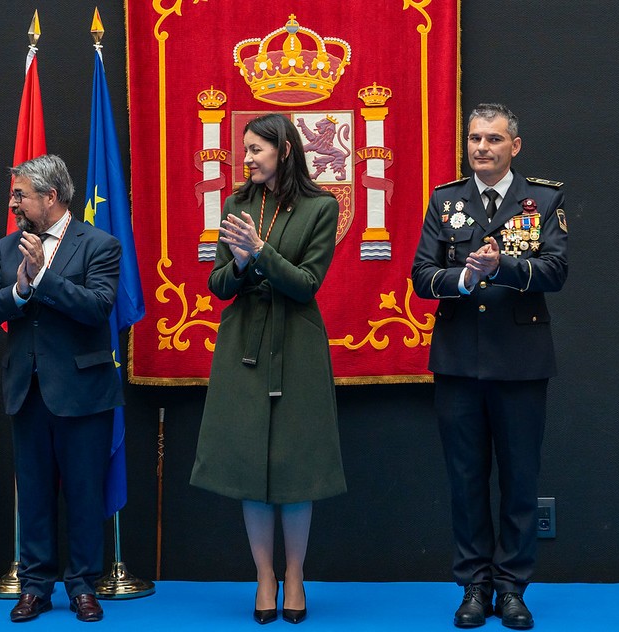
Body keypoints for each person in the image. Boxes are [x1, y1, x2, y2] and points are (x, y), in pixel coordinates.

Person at [411, 104, 568, 630]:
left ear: (514, 147)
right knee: (466, 479)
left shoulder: (543, 199)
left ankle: (513, 588)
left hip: (520, 364)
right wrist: (462, 278)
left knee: (520, 481)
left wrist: (504, 265)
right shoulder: (445, 199)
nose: (481, 147)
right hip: (458, 362)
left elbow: (555, 269)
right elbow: (421, 275)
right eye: (475, 138)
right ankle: (474, 585)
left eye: (494, 139)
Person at [190, 113, 346, 625]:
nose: (248, 158)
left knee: (294, 467)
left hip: (296, 343)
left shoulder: (322, 206)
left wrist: (260, 252)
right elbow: (217, 285)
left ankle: (296, 573)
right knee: (250, 466)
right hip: (243, 347)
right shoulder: (236, 204)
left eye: (257, 148)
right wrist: (237, 264)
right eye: (245, 148)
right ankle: (264, 575)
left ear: (285, 150)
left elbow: (306, 283)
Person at [0, 154, 123, 623]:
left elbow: (97, 307)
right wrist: (19, 291)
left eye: (20, 194)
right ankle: (35, 586)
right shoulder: (5, 248)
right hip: (27, 389)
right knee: (34, 494)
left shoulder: (100, 244)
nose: (13, 202)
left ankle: (82, 586)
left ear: (50, 197)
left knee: (83, 493)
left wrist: (43, 278)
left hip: (83, 392)